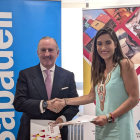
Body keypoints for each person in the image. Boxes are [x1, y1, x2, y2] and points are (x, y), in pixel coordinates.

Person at [52, 27, 139, 140]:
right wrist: (64, 101)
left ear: (115, 44)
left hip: (120, 129)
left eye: (108, 43)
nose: (103, 47)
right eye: (99, 44)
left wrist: (109, 117)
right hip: (102, 129)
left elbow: (134, 98)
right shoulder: (98, 69)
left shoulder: (124, 64)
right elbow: (90, 96)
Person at [13, 36, 79, 140]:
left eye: (50, 50)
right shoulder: (25, 74)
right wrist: (45, 104)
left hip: (58, 132)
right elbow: (19, 102)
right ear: (38, 52)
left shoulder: (68, 76)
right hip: (29, 132)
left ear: (57, 53)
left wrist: (63, 118)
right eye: (43, 50)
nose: (47, 54)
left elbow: (74, 104)